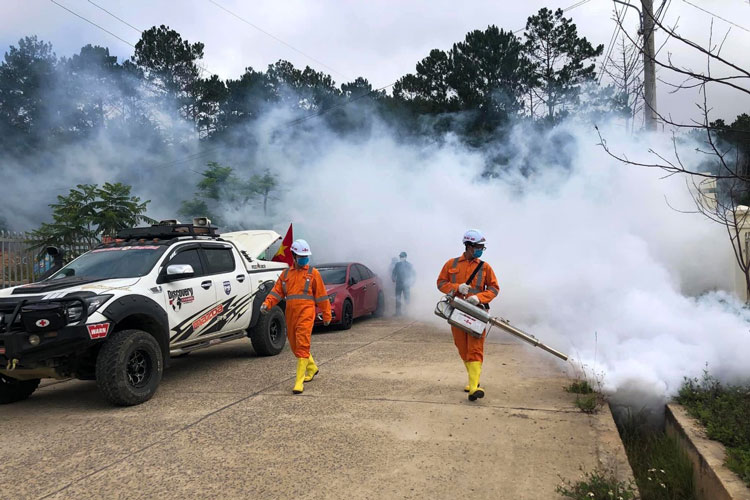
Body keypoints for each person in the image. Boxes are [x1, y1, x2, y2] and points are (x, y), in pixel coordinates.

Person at [261, 239, 332, 394]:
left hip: (306, 314)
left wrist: (327, 314)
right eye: (301, 256)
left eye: (305, 256)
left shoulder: (313, 273)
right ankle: (312, 368)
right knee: (294, 345)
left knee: (302, 344)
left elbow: (321, 296)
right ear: (293, 255)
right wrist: (267, 303)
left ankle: (299, 382)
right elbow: (276, 292)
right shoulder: (286, 274)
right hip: (291, 314)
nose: (304, 258)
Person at [436, 229, 500, 401]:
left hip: (478, 312)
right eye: (479, 246)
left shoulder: (485, 267)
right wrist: (457, 288)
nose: (481, 250)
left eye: (482, 247)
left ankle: (473, 388)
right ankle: (474, 380)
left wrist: (479, 298)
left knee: (475, 347)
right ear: (469, 246)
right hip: (457, 312)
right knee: (462, 347)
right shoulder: (452, 264)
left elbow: (494, 289)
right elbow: (441, 283)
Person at [391, 251, 415, 316]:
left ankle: (407, 312)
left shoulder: (409, 265)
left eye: (402, 257)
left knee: (407, 298)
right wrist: (393, 278)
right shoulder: (397, 264)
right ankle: (398, 312)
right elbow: (394, 272)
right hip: (398, 284)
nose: (401, 258)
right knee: (397, 298)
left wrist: (412, 282)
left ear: (405, 257)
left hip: (406, 285)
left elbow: (413, 274)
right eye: (400, 257)